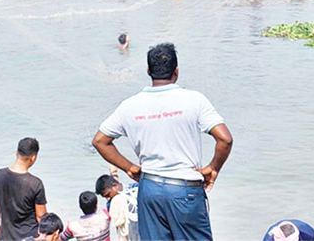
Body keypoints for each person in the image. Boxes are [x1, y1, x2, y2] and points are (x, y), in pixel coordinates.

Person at [92, 43, 233, 241]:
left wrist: (129, 167)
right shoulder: (194, 99)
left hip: (150, 189)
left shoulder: (129, 105)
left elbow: (100, 141)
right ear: (176, 71)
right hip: (185, 190)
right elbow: (225, 139)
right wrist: (214, 167)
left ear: (149, 71)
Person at [0, 138, 47, 241]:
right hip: (30, 237)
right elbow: (41, 217)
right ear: (33, 157)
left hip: (6, 237)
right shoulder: (35, 184)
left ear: (17, 152)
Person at [96, 170, 139, 241]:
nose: (108, 199)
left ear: (115, 186)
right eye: (105, 197)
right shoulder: (112, 203)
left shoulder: (133, 190)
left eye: (108, 195)